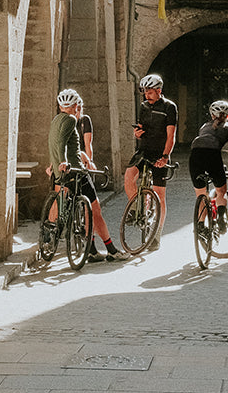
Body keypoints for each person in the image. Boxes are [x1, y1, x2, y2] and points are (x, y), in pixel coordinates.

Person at [47, 89, 127, 261]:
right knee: (94, 209)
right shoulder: (70, 119)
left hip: (60, 172)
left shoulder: (56, 120)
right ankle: (111, 249)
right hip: (74, 171)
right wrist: (63, 162)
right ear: (76, 106)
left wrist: (54, 164)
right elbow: (62, 144)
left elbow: (54, 143)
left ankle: (49, 237)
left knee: (59, 201)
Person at [125, 72, 178, 245]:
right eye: (145, 92)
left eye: (149, 92)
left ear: (158, 90)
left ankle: (156, 234)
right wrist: (137, 133)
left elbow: (171, 136)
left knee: (160, 194)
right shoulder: (143, 106)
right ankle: (137, 209)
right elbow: (140, 127)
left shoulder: (170, 107)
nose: (146, 96)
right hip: (144, 150)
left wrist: (165, 156)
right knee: (129, 177)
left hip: (159, 152)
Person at [188, 99, 228, 232]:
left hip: (195, 155)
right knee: (221, 191)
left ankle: (200, 227)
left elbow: (203, 144)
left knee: (201, 195)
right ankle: (221, 217)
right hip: (213, 156)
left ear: (212, 115)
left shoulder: (203, 127)